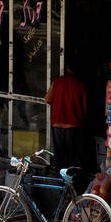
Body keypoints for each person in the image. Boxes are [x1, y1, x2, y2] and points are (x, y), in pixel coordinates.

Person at [45, 60, 92, 190]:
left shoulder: (57, 82)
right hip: (74, 127)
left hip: (57, 126)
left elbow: (47, 99)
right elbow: (85, 109)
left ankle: (62, 190)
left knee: (60, 159)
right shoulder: (81, 86)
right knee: (75, 161)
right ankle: (74, 189)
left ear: (67, 68)